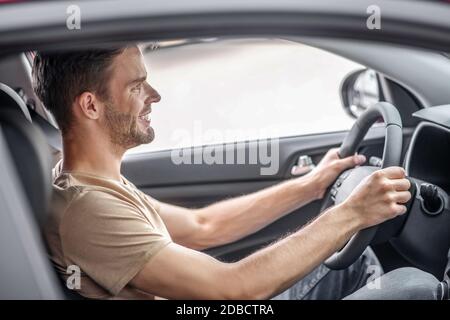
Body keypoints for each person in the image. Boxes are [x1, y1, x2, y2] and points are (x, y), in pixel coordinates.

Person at [33, 45, 438, 300]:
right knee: (416, 288)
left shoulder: (94, 183)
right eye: (137, 86)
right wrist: (351, 212)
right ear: (90, 106)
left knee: (352, 259)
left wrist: (310, 186)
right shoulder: (88, 210)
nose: (155, 95)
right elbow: (234, 290)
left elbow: (202, 225)